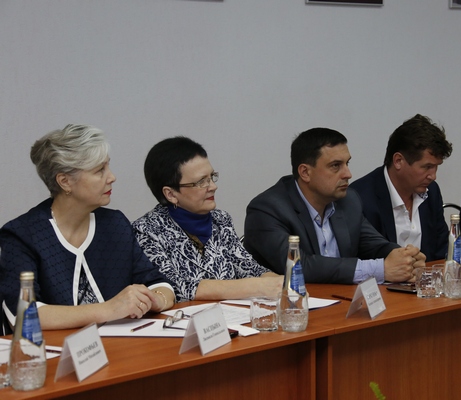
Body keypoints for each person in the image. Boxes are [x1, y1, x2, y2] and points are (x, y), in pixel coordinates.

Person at [0, 124, 175, 331]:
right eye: (100, 170)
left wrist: (156, 300)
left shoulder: (115, 224)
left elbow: (158, 283)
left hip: (120, 345)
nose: (112, 177)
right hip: (56, 349)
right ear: (65, 181)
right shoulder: (22, 235)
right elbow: (23, 314)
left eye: (108, 166)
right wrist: (108, 309)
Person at [244, 127, 426, 284]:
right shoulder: (267, 210)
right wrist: (380, 269)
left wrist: (404, 257)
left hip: (339, 302)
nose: (348, 174)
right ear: (305, 172)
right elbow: (299, 266)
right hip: (290, 307)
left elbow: (374, 245)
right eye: (335, 166)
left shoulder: (348, 200)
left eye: (347, 163)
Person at [133, 137, 282, 302]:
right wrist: (256, 287)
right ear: (171, 194)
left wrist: (282, 284)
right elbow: (175, 288)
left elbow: (250, 269)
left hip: (231, 315)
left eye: (212, 177)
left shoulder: (221, 220)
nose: (213, 186)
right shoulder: (146, 231)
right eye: (201, 182)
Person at [351, 115, 453, 262]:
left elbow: (442, 251)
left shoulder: (432, 191)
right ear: (398, 161)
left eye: (436, 167)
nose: (433, 176)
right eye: (427, 167)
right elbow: (361, 260)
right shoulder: (360, 198)